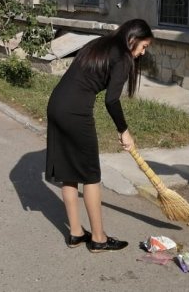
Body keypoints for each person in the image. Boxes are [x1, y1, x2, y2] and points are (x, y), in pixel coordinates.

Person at [46, 19, 153, 253]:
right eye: (143, 47)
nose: (143, 53)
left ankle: (75, 233)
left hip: (56, 105)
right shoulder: (123, 57)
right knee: (91, 176)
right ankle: (98, 238)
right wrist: (124, 130)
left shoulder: (101, 44)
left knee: (68, 173)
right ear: (132, 40)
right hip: (75, 112)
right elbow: (111, 99)